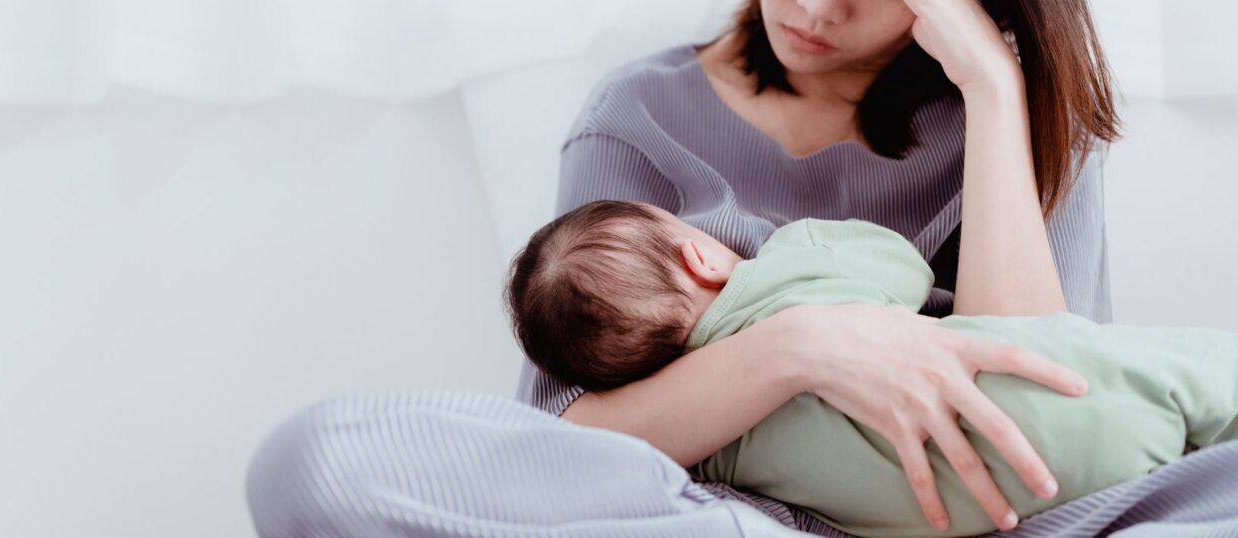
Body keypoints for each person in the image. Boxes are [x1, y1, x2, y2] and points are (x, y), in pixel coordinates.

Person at [247, 0, 1238, 536]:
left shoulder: (1013, 116)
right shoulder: (639, 118)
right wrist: (805, 345)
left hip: (1012, 513)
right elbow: (557, 440)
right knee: (321, 456)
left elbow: (1046, 403)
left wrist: (990, 87)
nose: (812, 1)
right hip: (730, 512)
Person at [505, 199, 1238, 538]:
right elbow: (904, 268)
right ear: (700, 253)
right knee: (1194, 369)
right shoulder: (791, 270)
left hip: (1026, 503)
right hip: (1070, 394)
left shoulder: (711, 447)